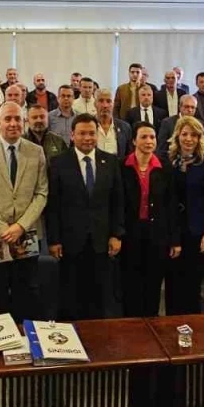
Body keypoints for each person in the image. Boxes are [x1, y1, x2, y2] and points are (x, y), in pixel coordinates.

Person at [0, 102, 47, 322]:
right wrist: (4, 229)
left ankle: (25, 335)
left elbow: (41, 193)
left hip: (27, 234)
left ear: (24, 122)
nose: (13, 124)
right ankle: (1, 339)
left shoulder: (36, 151)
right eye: (8, 119)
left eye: (17, 119)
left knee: (27, 290)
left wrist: (20, 226)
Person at [47, 114, 124, 320]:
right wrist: (54, 240)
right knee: (71, 294)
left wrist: (116, 234)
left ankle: (96, 332)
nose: (88, 138)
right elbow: (53, 205)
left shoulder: (110, 161)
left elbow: (117, 201)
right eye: (82, 133)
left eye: (91, 133)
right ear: (72, 135)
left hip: (101, 239)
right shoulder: (58, 163)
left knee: (99, 293)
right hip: (70, 241)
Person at [120, 122, 179, 317]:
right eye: (144, 137)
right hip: (130, 234)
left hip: (157, 234)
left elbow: (171, 205)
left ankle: (152, 323)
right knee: (131, 283)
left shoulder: (165, 167)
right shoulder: (121, 166)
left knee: (153, 283)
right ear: (134, 141)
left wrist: (174, 240)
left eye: (152, 137)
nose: (149, 141)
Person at [166, 116, 204, 314]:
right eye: (185, 134)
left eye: (194, 135)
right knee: (172, 281)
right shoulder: (168, 162)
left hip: (197, 230)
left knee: (192, 282)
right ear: (177, 136)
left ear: (199, 138)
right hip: (172, 230)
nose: (189, 139)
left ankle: (191, 322)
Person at [94, 89, 132, 157]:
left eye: (109, 101)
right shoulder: (87, 126)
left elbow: (129, 155)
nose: (105, 105)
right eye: (101, 101)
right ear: (95, 104)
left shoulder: (125, 127)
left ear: (113, 104)